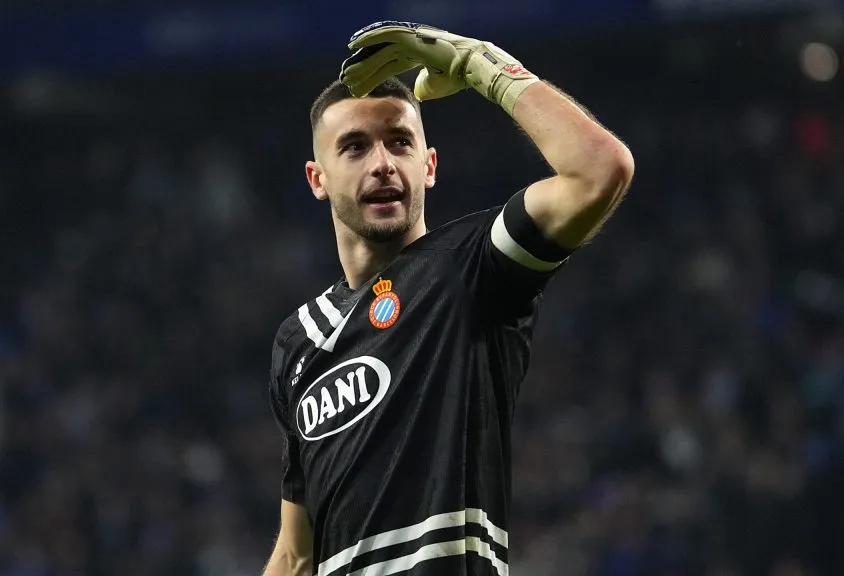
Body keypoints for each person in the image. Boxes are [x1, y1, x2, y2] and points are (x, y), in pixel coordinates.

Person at [263, 21, 634, 576]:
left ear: (428, 166)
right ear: (318, 179)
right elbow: (296, 555)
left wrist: (480, 63)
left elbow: (599, 171)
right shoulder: (298, 340)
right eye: (355, 147)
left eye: (400, 142)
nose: (382, 163)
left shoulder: (469, 267)